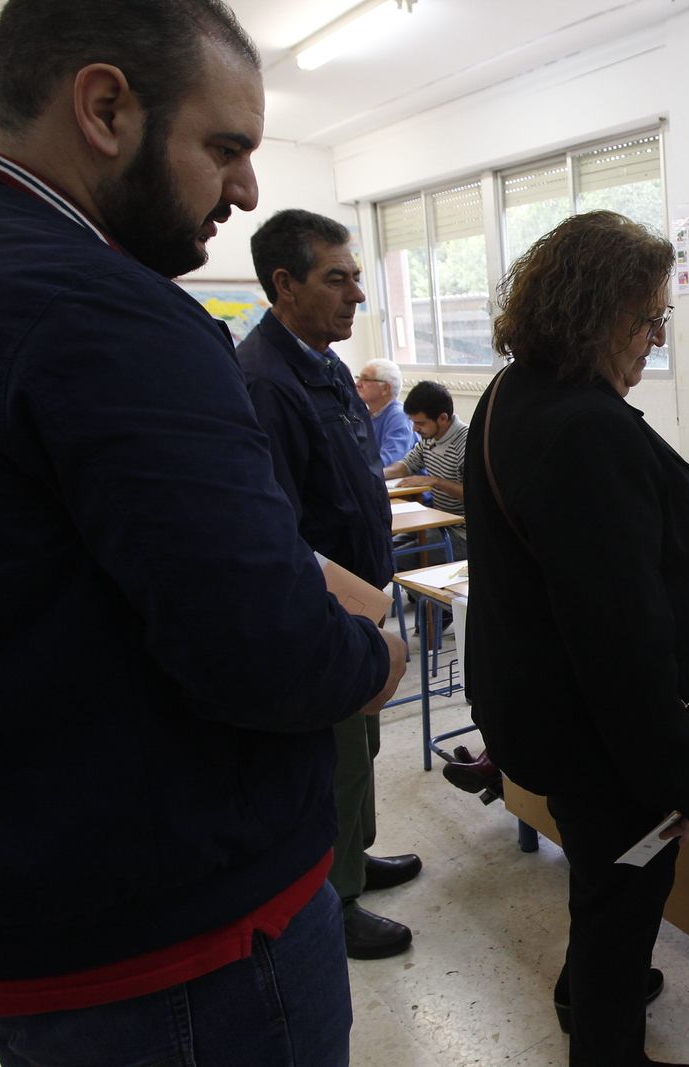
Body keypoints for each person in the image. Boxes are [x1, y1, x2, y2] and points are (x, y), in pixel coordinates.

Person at [0, 2, 408, 1063]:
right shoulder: (106, 309)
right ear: (106, 106)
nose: (245, 190)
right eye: (225, 148)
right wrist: (376, 650)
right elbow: (266, 650)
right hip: (183, 949)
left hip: (28, 911)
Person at [464, 210, 689, 1067]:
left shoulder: (514, 392)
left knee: (598, 879)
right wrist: (679, 778)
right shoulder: (586, 430)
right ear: (596, 311)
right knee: (623, 896)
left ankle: (583, 989)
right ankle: (607, 1043)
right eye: (647, 319)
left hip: (543, 709)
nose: (656, 339)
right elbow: (620, 637)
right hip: (605, 741)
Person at [237, 208, 424, 961]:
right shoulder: (265, 379)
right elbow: (277, 521)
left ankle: (356, 856)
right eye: (336, 279)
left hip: (362, 594)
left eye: (357, 279)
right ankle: (334, 897)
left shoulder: (324, 364)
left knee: (363, 744)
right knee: (337, 754)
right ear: (284, 284)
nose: (355, 296)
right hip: (325, 606)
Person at [384, 379, 468, 558]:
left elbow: (476, 495)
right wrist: (372, 475)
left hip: (463, 533)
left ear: (443, 418)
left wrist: (435, 481)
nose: (415, 428)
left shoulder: (466, 443)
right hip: (438, 523)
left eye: (420, 423)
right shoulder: (430, 436)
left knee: (394, 559)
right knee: (382, 549)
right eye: (413, 422)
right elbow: (405, 466)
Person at [357, 357, 417, 467]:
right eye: (358, 378)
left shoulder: (399, 416)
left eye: (365, 379)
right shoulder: (364, 415)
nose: (358, 384)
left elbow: (391, 458)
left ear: (385, 388)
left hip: (404, 481)